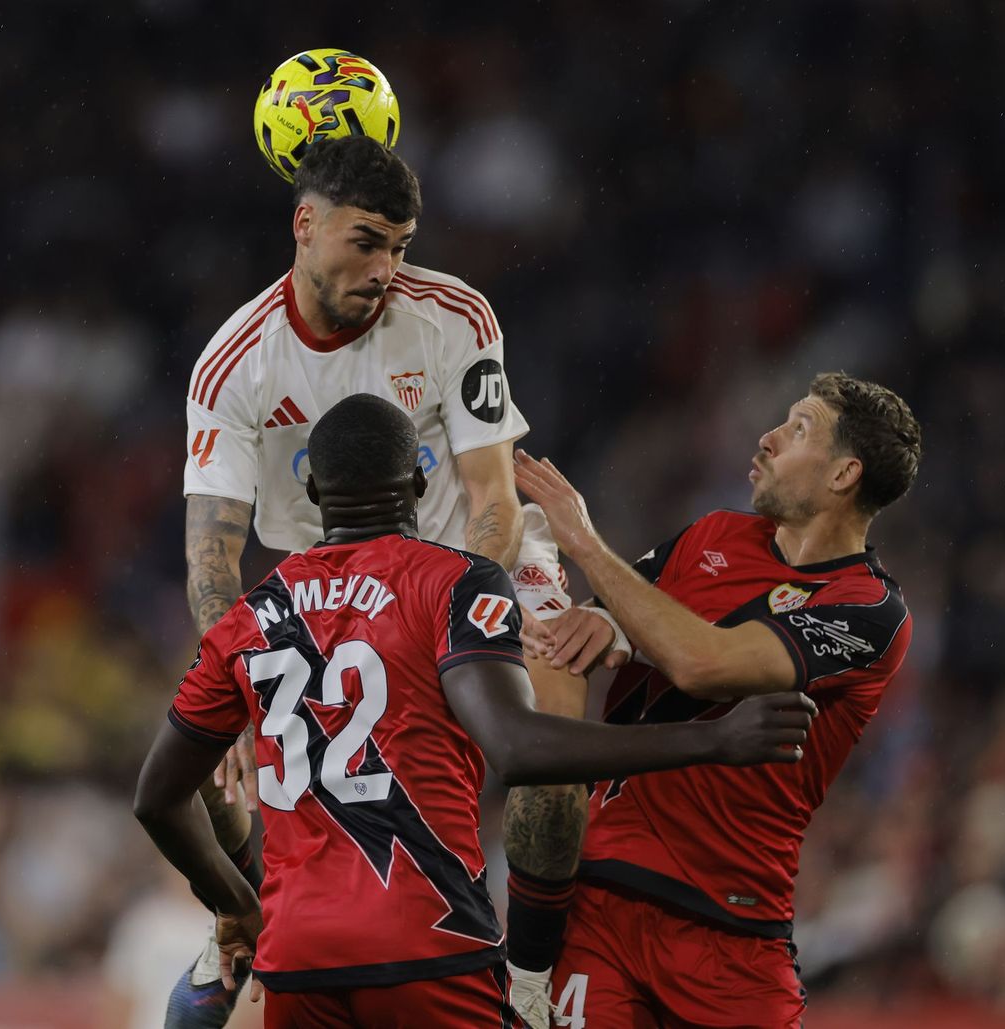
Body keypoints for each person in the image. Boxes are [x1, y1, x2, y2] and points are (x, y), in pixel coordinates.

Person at [135, 393, 819, 1029]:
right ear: (421, 484)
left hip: (298, 961)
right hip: (427, 938)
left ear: (312, 492)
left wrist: (236, 901)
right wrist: (712, 738)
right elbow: (518, 748)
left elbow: (157, 797)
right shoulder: (452, 580)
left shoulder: (248, 616)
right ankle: (526, 973)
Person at [178, 135, 587, 1026]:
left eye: (400, 245)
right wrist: (239, 696)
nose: (387, 267)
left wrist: (465, 616)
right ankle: (247, 919)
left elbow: (491, 493)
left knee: (553, 756)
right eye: (367, 242)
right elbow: (213, 554)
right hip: (334, 579)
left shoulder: (454, 315)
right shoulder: (233, 364)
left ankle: (524, 978)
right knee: (216, 758)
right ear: (305, 223)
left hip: (480, 559)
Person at [512, 372, 922, 1028]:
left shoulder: (868, 609)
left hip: (733, 933)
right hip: (602, 907)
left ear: (844, 475)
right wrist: (598, 621)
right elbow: (610, 617)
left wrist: (584, 544)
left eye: (798, 428)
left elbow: (705, 663)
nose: (767, 438)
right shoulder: (711, 535)